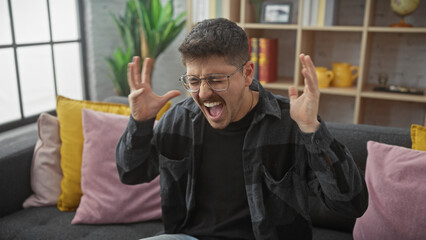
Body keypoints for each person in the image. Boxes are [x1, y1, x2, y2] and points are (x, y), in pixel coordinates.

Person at [116, 18, 368, 240]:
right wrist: (140, 123)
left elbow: (351, 204)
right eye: (193, 81)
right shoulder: (178, 119)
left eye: (216, 79)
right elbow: (131, 173)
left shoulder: (290, 122)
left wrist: (312, 129)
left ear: (247, 74)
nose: (203, 93)